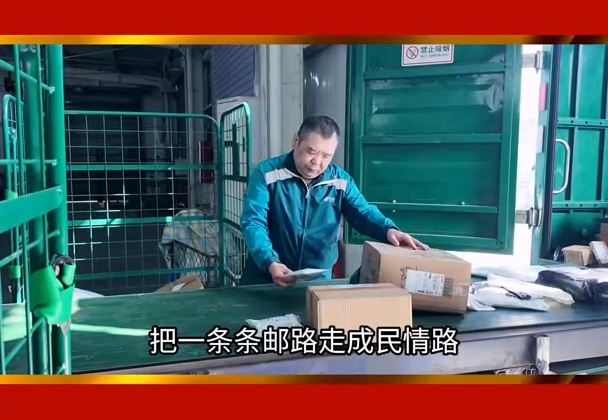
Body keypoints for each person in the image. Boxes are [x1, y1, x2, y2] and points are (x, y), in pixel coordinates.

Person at [239, 115, 429, 288]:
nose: (317, 162)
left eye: (326, 156)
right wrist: (270, 261)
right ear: (296, 141)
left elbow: (363, 212)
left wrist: (388, 230)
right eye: (311, 151)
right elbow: (254, 221)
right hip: (266, 278)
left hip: (317, 283)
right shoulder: (267, 174)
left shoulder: (340, 182)